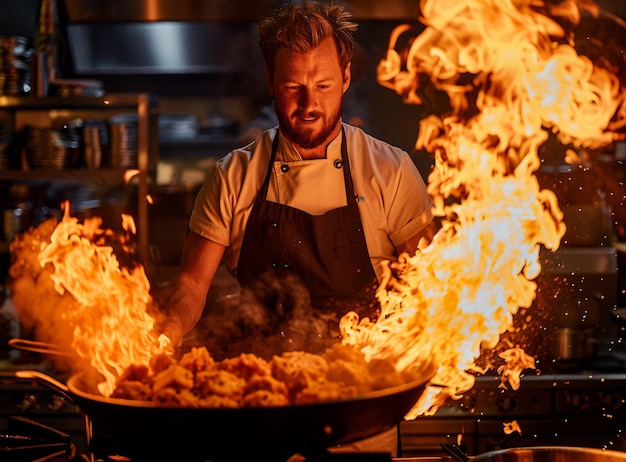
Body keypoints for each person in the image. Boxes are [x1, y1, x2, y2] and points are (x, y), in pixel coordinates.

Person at [158, 1, 436, 456]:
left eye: (324, 85)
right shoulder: (235, 175)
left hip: (360, 415)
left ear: (346, 78)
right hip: (261, 410)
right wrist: (166, 330)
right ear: (270, 81)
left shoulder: (390, 171)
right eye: (293, 87)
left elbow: (432, 285)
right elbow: (191, 283)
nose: (309, 104)